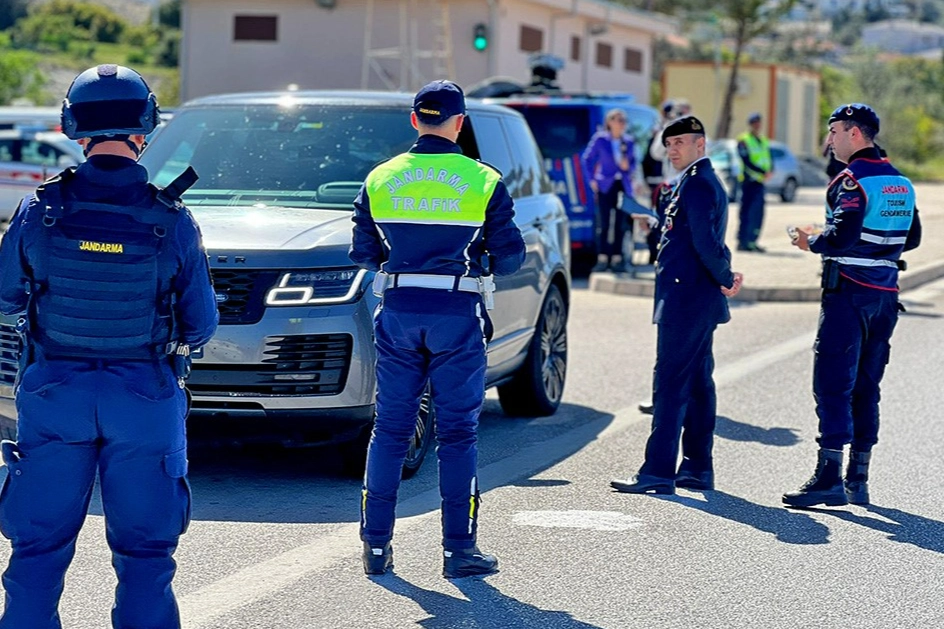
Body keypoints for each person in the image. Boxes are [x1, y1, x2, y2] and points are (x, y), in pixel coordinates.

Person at [0, 64, 218, 628]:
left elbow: (4, 296)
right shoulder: (172, 218)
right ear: (145, 127)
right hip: (144, 396)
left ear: (74, 126)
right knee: (147, 557)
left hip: (54, 393)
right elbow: (200, 325)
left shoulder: (39, 209)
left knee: (36, 551)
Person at [350, 80, 525, 578]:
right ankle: (457, 551)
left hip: (400, 312)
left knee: (390, 430)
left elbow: (363, 253)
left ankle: (376, 549)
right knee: (457, 433)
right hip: (457, 314)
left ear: (413, 120)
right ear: (459, 123)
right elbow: (511, 257)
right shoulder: (483, 180)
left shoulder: (380, 178)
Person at [783, 103, 921, 509]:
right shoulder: (900, 182)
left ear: (855, 134)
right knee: (866, 386)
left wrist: (809, 240)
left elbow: (840, 238)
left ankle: (828, 478)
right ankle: (857, 479)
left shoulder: (851, 181)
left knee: (832, 383)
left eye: (834, 132)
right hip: (885, 295)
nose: (829, 140)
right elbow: (910, 238)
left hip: (848, 293)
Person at [610, 116, 743, 495]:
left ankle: (657, 471)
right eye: (668, 143)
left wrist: (725, 277)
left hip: (687, 299)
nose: (672, 149)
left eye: (680, 142)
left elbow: (705, 243)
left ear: (701, 145)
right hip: (692, 297)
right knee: (698, 384)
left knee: (669, 384)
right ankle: (698, 467)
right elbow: (691, 238)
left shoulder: (699, 184)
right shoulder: (691, 182)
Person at [581, 108, 637, 273]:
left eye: (623, 121)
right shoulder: (601, 139)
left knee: (621, 223)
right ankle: (603, 257)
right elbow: (587, 159)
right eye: (617, 120)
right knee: (604, 223)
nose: (621, 124)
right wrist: (592, 179)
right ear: (609, 122)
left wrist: (629, 167)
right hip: (606, 184)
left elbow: (633, 163)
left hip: (623, 185)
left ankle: (618, 258)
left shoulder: (628, 141)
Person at [736, 112, 772, 253]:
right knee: (746, 213)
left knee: (758, 213)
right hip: (748, 181)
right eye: (754, 123)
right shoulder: (744, 140)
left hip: (760, 182)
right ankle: (743, 241)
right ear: (750, 124)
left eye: (759, 122)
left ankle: (753, 240)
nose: (757, 125)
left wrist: (770, 170)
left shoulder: (762, 140)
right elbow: (746, 160)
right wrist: (762, 171)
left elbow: (767, 157)